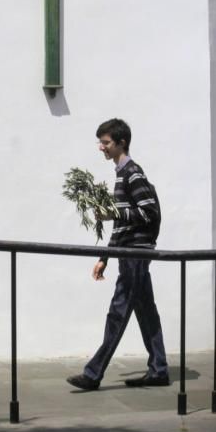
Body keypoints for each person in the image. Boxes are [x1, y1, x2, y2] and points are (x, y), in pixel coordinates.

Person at [67, 118, 169, 391]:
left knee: (118, 312)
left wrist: (114, 212)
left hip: (135, 253)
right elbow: (122, 223)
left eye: (106, 142)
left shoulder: (132, 173)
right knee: (146, 311)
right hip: (129, 251)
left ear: (121, 143)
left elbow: (149, 212)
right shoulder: (121, 174)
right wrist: (105, 256)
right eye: (101, 142)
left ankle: (93, 374)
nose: (101, 147)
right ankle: (159, 370)